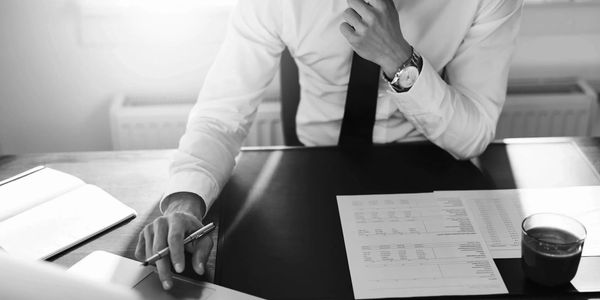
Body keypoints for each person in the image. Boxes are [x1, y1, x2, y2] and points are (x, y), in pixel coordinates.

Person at [135, 0, 523, 290]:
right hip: (311, 178)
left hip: (431, 171)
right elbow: (221, 115)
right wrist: (186, 201)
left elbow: (473, 135)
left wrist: (397, 58)